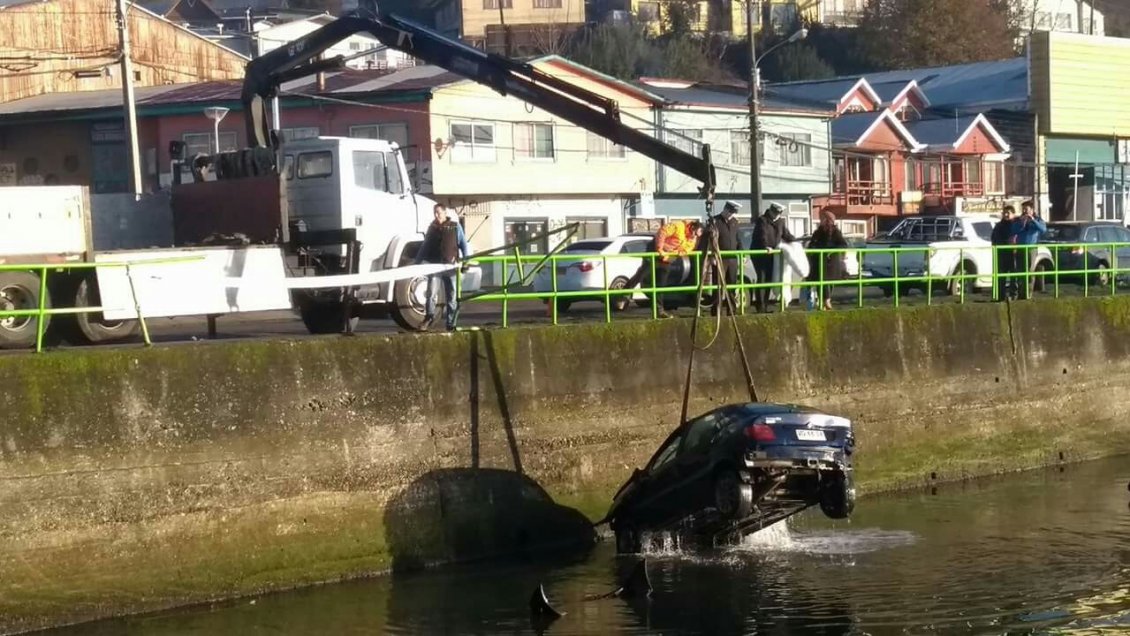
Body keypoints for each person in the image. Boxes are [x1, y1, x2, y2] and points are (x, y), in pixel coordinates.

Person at [414, 203, 469, 331]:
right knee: (431, 293)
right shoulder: (432, 228)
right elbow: (425, 247)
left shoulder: (455, 227)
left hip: (451, 266)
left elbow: (463, 245)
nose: (436, 215)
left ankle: (451, 323)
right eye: (435, 213)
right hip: (435, 266)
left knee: (452, 295)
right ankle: (429, 317)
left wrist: (466, 261)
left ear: (445, 213)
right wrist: (417, 262)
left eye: (438, 212)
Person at [652, 218, 704, 318]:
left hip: (667, 256)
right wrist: (660, 249)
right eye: (695, 234)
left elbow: (688, 249)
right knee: (642, 274)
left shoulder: (692, 238)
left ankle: (659, 310)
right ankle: (624, 295)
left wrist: (676, 253)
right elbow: (662, 232)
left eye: (697, 236)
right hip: (655, 249)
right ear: (692, 227)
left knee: (661, 282)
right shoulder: (679, 226)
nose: (694, 237)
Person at [750, 203, 795, 313]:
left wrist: (795, 242)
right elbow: (762, 235)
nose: (776, 216)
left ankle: (765, 305)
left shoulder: (780, 222)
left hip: (772, 254)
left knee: (769, 279)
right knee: (762, 278)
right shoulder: (762, 220)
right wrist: (766, 246)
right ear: (770, 211)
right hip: (760, 254)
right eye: (775, 213)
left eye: (778, 214)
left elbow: (786, 235)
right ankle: (760, 307)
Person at [806, 209, 848, 311]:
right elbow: (812, 245)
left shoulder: (835, 232)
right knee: (821, 281)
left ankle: (826, 301)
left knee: (827, 282)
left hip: (831, 262)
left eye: (823, 218)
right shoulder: (818, 232)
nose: (821, 220)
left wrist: (831, 251)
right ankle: (825, 301)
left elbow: (843, 245)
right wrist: (814, 250)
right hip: (819, 261)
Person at [705, 201, 742, 315]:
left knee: (732, 285)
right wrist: (712, 256)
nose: (731, 215)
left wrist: (742, 253)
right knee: (718, 286)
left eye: (733, 213)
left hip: (732, 258)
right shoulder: (715, 221)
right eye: (730, 212)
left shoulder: (734, 222)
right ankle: (716, 311)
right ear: (725, 209)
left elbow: (738, 239)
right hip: (720, 258)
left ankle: (732, 311)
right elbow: (709, 240)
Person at [1010, 200, 1047, 300]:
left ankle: (1028, 294)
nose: (1024, 211)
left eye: (1026, 209)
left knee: (1030, 271)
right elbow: (1013, 231)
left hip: (1031, 248)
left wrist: (1033, 220)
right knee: (1020, 271)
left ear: (1032, 210)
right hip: (1020, 248)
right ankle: (1021, 294)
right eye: (1023, 209)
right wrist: (1022, 224)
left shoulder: (1038, 219)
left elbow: (1043, 229)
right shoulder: (1019, 220)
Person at [991, 205, 1017, 301]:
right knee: (1000, 276)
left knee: (1014, 276)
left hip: (1013, 253)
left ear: (1013, 214)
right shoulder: (999, 226)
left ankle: (1013, 295)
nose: (1006, 215)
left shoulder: (1016, 225)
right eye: (1004, 213)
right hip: (1001, 253)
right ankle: (1000, 296)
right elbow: (993, 238)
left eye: (1008, 213)